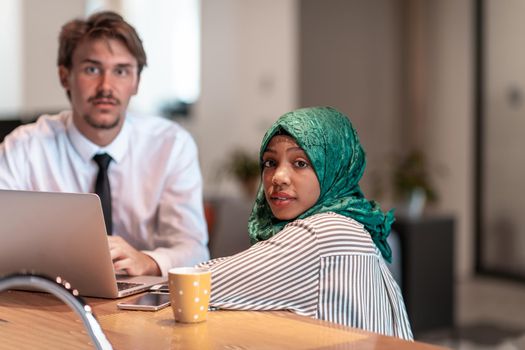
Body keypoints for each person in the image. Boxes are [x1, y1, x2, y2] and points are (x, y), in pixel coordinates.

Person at [0, 11, 209, 277]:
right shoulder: (25, 147)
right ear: (65, 77)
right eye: (92, 69)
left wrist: (147, 260)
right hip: (50, 297)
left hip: (143, 303)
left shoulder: (171, 146)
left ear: (136, 82)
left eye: (121, 71)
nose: (106, 86)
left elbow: (194, 249)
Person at [200, 106, 413, 340]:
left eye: (300, 163)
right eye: (270, 162)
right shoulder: (351, 223)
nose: (278, 177)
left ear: (333, 168)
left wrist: (156, 271)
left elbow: (198, 284)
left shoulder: (325, 231)